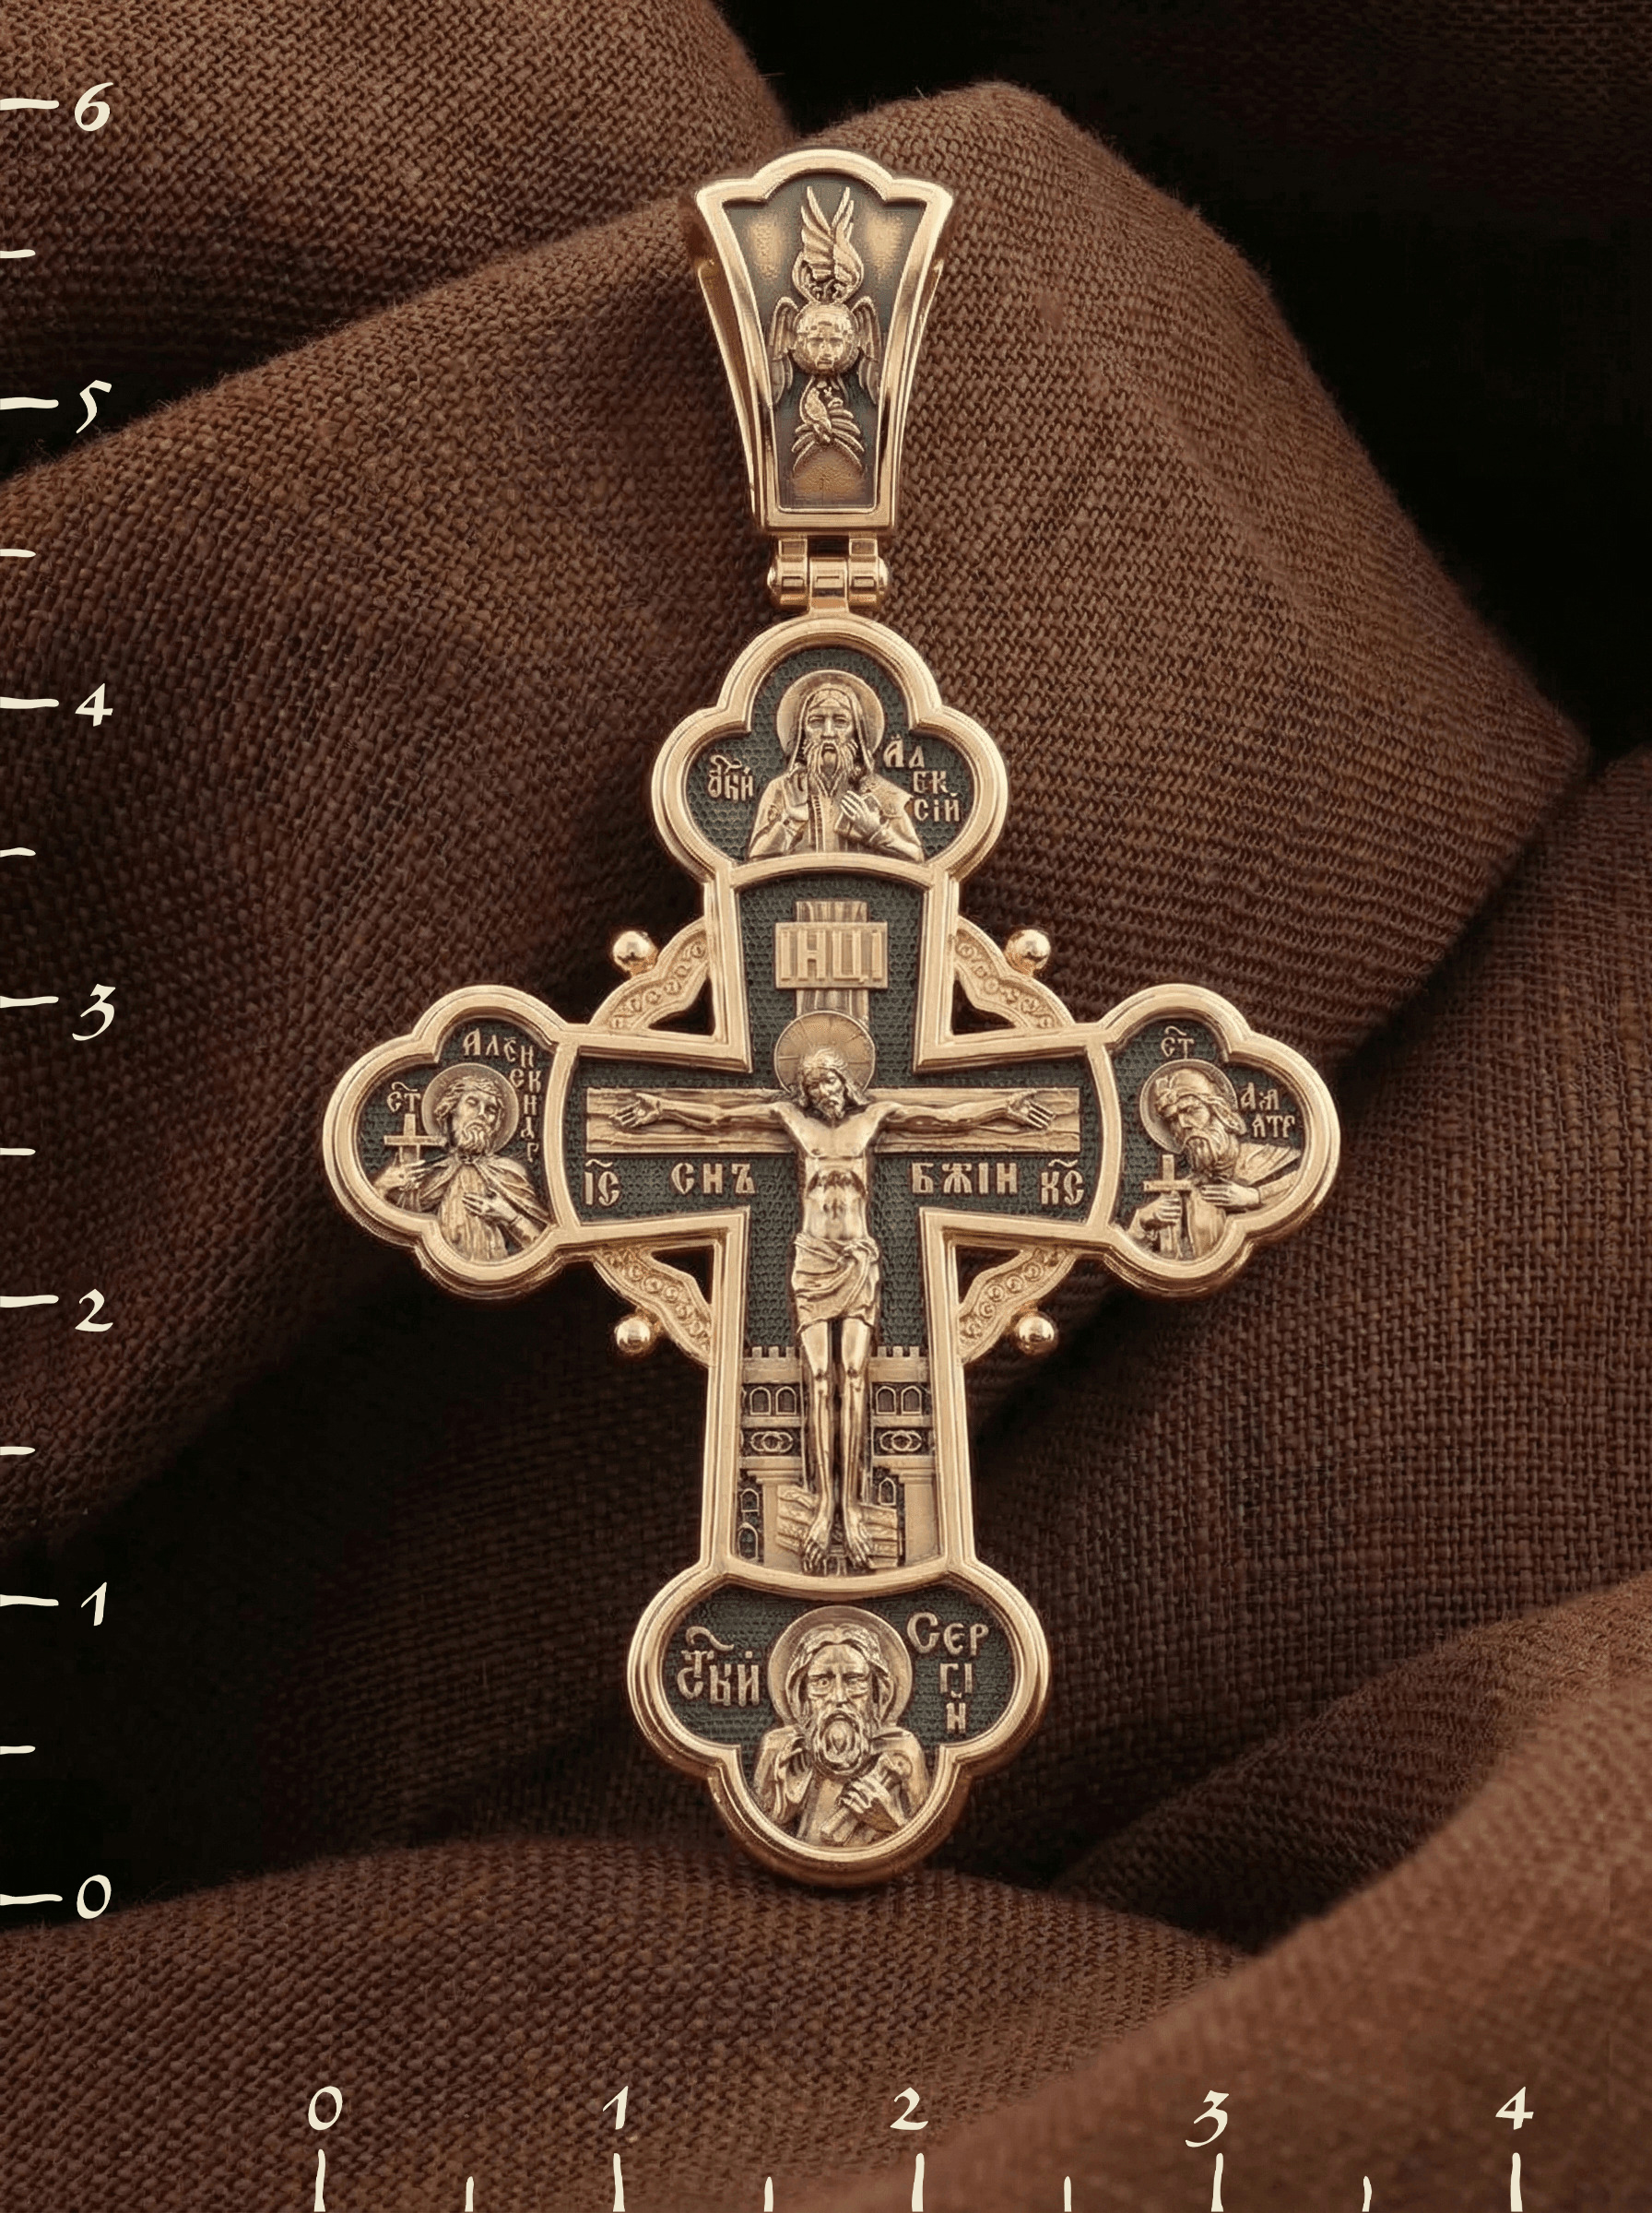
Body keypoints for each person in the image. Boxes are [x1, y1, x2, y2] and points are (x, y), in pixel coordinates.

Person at [610, 1037, 1051, 1570]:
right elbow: (720, 1118)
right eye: (814, 1084)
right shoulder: (791, 1120)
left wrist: (1004, 1106)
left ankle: (853, 1508)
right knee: (820, 1379)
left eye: (830, 1080)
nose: (824, 1091)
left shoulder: (876, 1118)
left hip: (857, 1259)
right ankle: (824, 1506)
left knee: (855, 1374)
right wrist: (661, 1107)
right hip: (813, 1260)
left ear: (847, 1081)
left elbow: (946, 1120)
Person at [754, 1618, 929, 1848]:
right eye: (822, 1682)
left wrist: (891, 1821)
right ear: (803, 1693)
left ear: (876, 1691)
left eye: (854, 1680)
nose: (838, 1697)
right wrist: (780, 1809)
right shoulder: (780, 1753)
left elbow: (924, 1840)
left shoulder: (902, 1752)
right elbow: (759, 1836)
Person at [375, 1064, 548, 1262]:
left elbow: (544, 1246)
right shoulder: (433, 1173)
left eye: (491, 1110)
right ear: (450, 1111)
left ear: (497, 1123)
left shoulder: (510, 1173)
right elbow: (391, 1231)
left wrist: (510, 1217)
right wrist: (382, 1186)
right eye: (472, 1103)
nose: (482, 1114)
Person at [1127, 1062, 1299, 1259]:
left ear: (1219, 1112)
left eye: (1190, 1110)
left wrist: (1255, 1197)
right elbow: (1149, 1257)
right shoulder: (1183, 1190)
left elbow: (1301, 1189)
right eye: (1173, 1120)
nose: (1183, 1125)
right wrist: (1143, 1221)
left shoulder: (1273, 1159)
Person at [747, 675, 923, 861]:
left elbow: (916, 856)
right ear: (803, 733)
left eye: (840, 721)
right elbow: (755, 859)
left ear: (856, 733)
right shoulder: (783, 790)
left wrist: (875, 832)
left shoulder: (881, 793)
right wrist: (792, 821)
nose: (828, 733)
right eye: (816, 721)